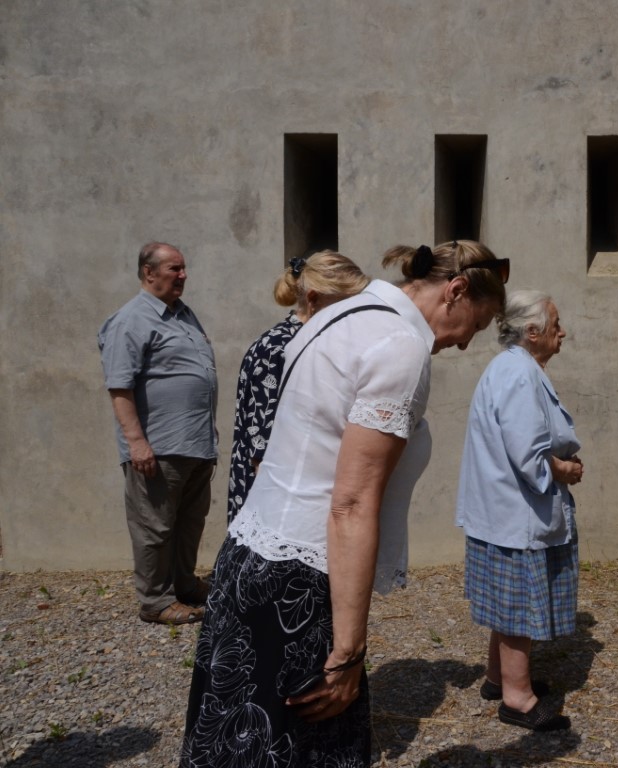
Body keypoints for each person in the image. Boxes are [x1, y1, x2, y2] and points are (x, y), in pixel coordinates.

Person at [182, 240, 507, 768]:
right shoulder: (401, 345)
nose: (468, 341)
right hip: (300, 577)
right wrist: (349, 653)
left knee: (236, 747)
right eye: (478, 323)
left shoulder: (342, 312)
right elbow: (351, 503)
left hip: (247, 557)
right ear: (456, 290)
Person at [456, 290, 583, 732]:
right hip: (514, 513)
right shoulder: (518, 373)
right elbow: (529, 456)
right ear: (532, 332)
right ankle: (518, 699)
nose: (562, 332)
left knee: (507, 601)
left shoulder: (514, 367)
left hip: (505, 511)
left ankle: (498, 678)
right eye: (555, 325)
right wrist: (565, 469)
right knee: (519, 606)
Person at [98, 242, 218, 625]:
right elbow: (120, 387)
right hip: (158, 446)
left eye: (183, 268)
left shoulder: (183, 314)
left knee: (189, 522)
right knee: (155, 526)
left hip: (195, 443)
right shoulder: (130, 320)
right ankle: (155, 601)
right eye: (174, 269)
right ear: (149, 272)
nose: (183, 275)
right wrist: (136, 442)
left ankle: (183, 584)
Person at [227, 251, 371, 523]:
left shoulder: (310, 342)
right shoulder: (277, 349)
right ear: (314, 300)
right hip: (273, 507)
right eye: (345, 305)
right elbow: (261, 447)